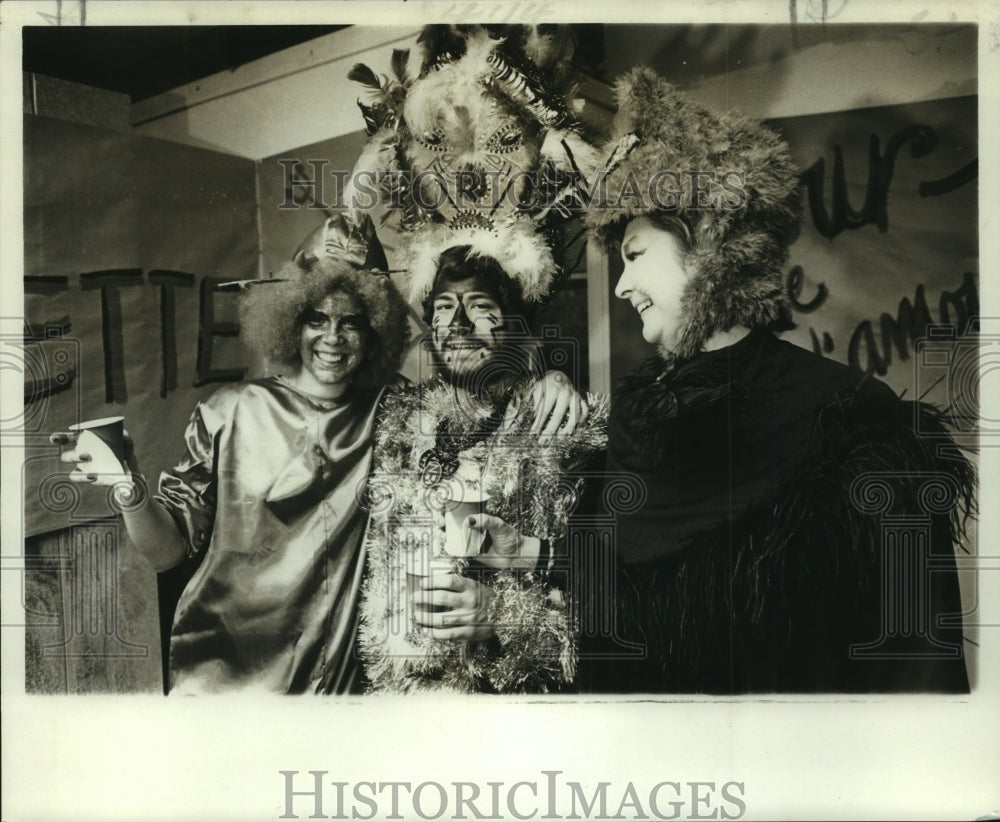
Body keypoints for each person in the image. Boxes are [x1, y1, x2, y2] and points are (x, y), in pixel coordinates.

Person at [581, 67, 974, 693]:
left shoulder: (854, 420)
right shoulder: (630, 424)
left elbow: (915, 659)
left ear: (710, 242)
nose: (623, 285)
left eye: (635, 255)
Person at [357, 243, 607, 693]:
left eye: (480, 308)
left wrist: (502, 617)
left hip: (506, 715)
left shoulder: (560, 430)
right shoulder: (397, 422)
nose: (458, 325)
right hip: (401, 706)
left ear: (514, 324)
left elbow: (600, 594)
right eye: (445, 308)